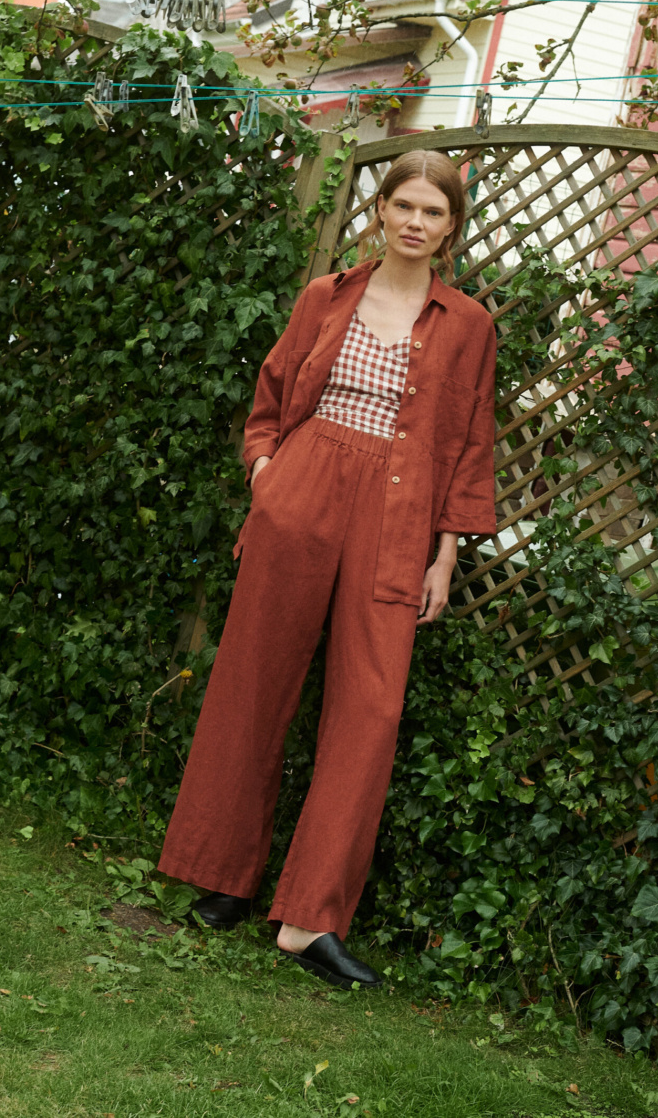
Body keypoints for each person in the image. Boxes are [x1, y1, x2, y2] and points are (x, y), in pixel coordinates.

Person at [157, 148, 498, 989]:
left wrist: (446, 552)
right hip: (303, 491)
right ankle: (224, 875)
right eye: (404, 206)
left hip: (397, 513)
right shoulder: (327, 297)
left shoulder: (468, 324)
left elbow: (470, 443)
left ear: (452, 228)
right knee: (254, 679)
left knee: (370, 708)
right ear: (379, 211)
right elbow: (270, 400)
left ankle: (308, 920)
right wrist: (268, 476)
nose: (416, 223)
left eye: (434, 213)